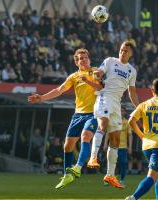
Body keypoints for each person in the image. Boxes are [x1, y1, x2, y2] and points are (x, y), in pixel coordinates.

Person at [28, 48, 102, 189]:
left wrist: (89, 80)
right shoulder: (74, 77)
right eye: (80, 58)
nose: (84, 60)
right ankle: (67, 175)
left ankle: (78, 168)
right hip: (78, 114)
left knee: (85, 136)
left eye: (86, 57)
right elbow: (59, 90)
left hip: (94, 113)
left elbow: (101, 87)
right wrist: (42, 98)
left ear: (89, 59)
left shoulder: (96, 72)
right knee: (67, 146)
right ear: (76, 62)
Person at [86, 41, 139, 188]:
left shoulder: (131, 71)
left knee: (115, 139)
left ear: (131, 54)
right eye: (121, 50)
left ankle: (110, 175)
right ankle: (93, 158)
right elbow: (100, 73)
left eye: (126, 51)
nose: (123, 52)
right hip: (104, 96)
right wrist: (97, 74)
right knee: (102, 123)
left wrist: (139, 108)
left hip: (116, 103)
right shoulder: (110, 61)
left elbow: (132, 92)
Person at [103, 107, 132, 187]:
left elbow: (130, 135)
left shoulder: (127, 122)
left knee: (123, 163)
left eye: (123, 111)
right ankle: (108, 179)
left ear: (125, 112)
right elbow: (108, 133)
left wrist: (130, 147)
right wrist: (105, 144)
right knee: (111, 163)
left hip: (123, 147)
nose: (121, 112)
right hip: (112, 146)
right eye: (120, 110)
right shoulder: (113, 120)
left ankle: (122, 180)